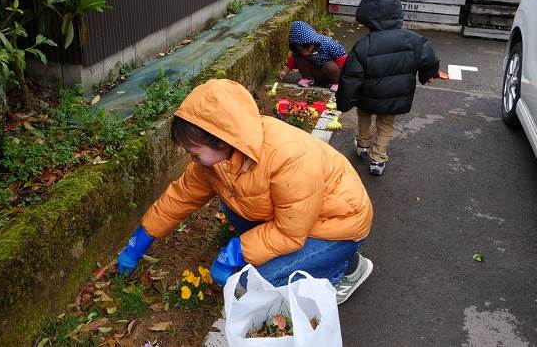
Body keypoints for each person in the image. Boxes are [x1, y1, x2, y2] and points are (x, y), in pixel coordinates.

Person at [116, 79, 374, 304]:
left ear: (220, 139)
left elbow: (290, 233)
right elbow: (180, 197)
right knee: (231, 201)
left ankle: (346, 267)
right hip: (300, 220)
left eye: (193, 152)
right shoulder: (219, 161)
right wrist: (140, 240)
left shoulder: (288, 157)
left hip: (339, 225)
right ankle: (311, 258)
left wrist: (237, 251)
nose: (190, 159)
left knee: (259, 283)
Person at [336, 0, 440, 176]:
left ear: (367, 11)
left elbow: (350, 78)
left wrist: (343, 101)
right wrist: (428, 75)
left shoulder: (363, 45)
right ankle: (378, 159)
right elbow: (428, 59)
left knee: (364, 115)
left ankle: (363, 145)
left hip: (368, 95)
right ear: (396, 8)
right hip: (395, 95)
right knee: (385, 124)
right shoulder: (414, 40)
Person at [280, 21, 347, 92]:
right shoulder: (299, 51)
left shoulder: (329, 44)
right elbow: (292, 60)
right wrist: (285, 71)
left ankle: (337, 83)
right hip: (316, 72)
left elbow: (342, 60)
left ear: (311, 45)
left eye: (303, 50)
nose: (301, 52)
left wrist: (345, 77)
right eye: (299, 50)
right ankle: (307, 78)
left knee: (330, 66)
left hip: (332, 73)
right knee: (298, 58)